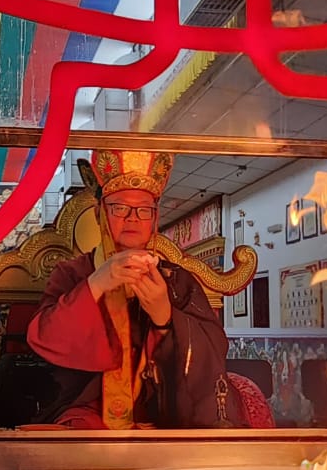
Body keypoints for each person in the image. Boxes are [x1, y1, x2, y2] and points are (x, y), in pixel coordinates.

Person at [26, 149, 247, 430]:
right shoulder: (72, 274)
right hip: (89, 414)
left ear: (154, 219)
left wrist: (165, 317)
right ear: (99, 214)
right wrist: (97, 284)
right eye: (119, 207)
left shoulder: (177, 280)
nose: (133, 218)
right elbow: (45, 340)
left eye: (144, 210)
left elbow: (213, 350)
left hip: (165, 412)